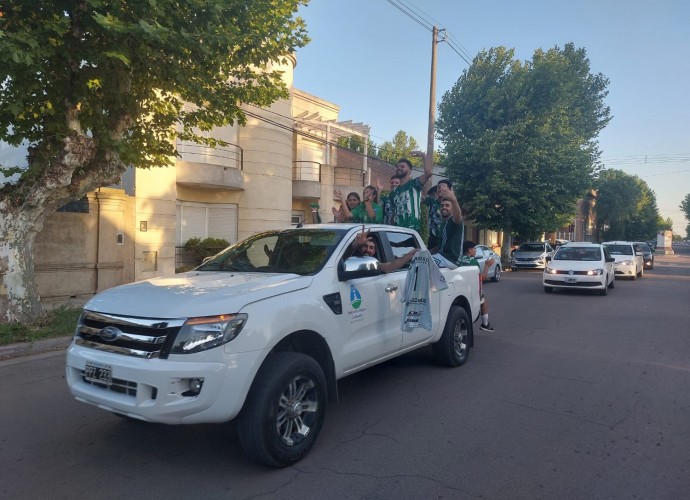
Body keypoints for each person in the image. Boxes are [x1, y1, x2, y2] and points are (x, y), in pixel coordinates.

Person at [390, 151, 434, 230]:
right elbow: (394, 212)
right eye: (398, 167)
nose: (399, 168)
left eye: (402, 166)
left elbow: (429, 173)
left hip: (412, 230)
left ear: (409, 170)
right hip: (397, 231)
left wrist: (423, 155)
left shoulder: (415, 184)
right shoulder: (394, 192)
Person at [460, 240, 495, 332]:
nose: (476, 251)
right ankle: (485, 324)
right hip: (472, 288)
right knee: (483, 302)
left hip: (460, 288)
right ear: (469, 250)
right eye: (474, 249)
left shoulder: (458, 259)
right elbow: (482, 278)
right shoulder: (473, 261)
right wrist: (487, 266)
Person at [349, 229, 417, 273]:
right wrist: (355, 244)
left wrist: (409, 255)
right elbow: (342, 259)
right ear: (359, 248)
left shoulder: (373, 264)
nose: (367, 250)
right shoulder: (349, 259)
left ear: (374, 251)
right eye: (364, 246)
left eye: (371, 247)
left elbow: (389, 266)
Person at [434, 184, 463, 264]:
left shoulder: (453, 221)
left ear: (452, 208)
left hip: (451, 259)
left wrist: (453, 200)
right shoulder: (443, 224)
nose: (444, 207)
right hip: (442, 257)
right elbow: (439, 247)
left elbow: (458, 216)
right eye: (442, 205)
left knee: (421, 262)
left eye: (447, 205)